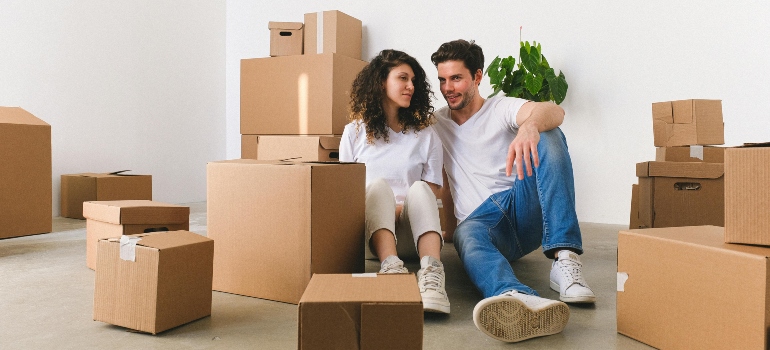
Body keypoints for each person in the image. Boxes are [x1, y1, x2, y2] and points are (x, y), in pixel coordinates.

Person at [429, 39, 595, 342]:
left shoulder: (501, 107)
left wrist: (530, 127)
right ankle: (515, 296)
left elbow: (553, 110)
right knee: (468, 236)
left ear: (477, 77)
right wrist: (449, 228)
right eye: (442, 79)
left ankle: (565, 260)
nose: (448, 87)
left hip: (521, 206)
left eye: (456, 78)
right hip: (481, 224)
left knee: (548, 133)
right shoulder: (436, 122)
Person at [339, 49, 450, 314]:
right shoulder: (355, 132)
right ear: (381, 82)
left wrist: (402, 210)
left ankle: (433, 275)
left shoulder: (426, 134)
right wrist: (389, 209)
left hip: (414, 234)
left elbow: (432, 189)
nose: (410, 86)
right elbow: (346, 190)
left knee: (421, 188)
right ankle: (390, 266)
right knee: (376, 187)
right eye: (403, 78)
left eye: (413, 80)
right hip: (372, 236)